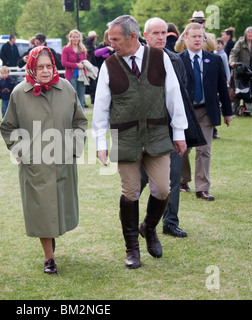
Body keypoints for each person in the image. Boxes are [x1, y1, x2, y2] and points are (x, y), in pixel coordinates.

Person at [92, 15, 187, 269]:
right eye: (109, 39)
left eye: (115, 39)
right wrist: (100, 143)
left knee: (163, 189)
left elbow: (173, 95)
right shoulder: (109, 65)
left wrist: (179, 132)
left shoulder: (159, 58)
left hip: (157, 135)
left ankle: (150, 227)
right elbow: (100, 108)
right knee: (130, 191)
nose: (111, 44)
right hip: (124, 137)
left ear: (132, 37)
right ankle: (132, 248)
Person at [0, 46, 87, 274]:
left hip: (63, 161)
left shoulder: (67, 89)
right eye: (40, 67)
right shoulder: (19, 93)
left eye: (49, 66)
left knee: (59, 208)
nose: (46, 71)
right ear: (32, 67)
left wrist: (74, 148)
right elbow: (8, 126)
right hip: (35, 164)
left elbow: (80, 121)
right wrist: (21, 151)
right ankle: (49, 258)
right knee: (41, 211)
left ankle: (51, 237)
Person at [141, 17, 206, 238]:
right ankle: (135, 224)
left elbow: (182, 97)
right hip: (144, 132)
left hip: (171, 130)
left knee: (173, 177)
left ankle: (170, 222)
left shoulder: (175, 60)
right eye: (155, 33)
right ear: (145, 35)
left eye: (164, 34)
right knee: (138, 180)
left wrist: (182, 130)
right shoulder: (135, 61)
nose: (160, 37)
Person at [179, 22, 233, 201]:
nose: (197, 39)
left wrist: (227, 112)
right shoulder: (178, 60)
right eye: (193, 36)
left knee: (204, 149)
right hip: (185, 111)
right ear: (185, 38)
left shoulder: (214, 60)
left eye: (200, 36)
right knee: (183, 148)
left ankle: (202, 188)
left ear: (204, 38)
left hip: (206, 111)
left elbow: (222, 89)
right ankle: (182, 180)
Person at [62, 29, 88, 109]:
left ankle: (82, 119)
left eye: (77, 37)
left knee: (81, 98)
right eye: (73, 37)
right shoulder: (66, 49)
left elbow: (85, 60)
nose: (75, 39)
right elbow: (64, 63)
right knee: (73, 98)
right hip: (71, 75)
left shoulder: (82, 49)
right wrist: (76, 65)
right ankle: (73, 117)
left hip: (82, 76)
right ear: (70, 38)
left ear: (80, 38)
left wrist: (84, 64)